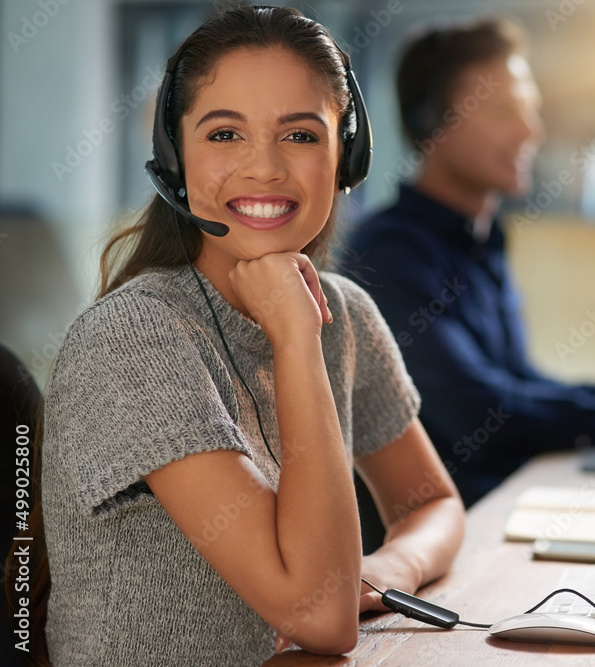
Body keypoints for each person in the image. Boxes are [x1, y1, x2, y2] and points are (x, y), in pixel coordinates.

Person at [40, 7, 463, 665]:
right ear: (174, 157)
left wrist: (392, 567)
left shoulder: (345, 314)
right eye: (225, 134)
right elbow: (320, 613)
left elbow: (432, 500)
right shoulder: (133, 340)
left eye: (299, 136)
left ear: (345, 157)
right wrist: (295, 339)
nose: (264, 168)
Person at [339, 16, 595, 507]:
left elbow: (516, 383)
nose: (531, 130)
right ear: (429, 125)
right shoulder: (390, 254)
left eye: (531, 110)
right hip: (454, 532)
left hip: (505, 506)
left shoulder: (484, 238)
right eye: (504, 111)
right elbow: (478, 415)